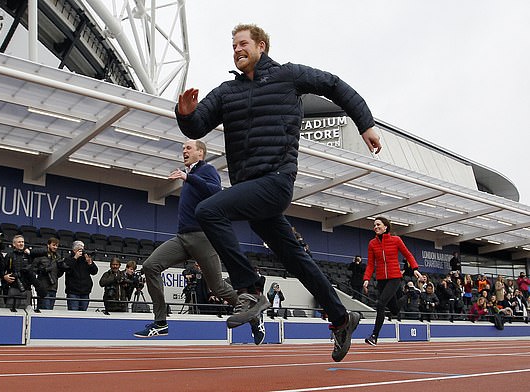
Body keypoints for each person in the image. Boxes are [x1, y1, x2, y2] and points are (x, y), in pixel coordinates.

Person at [175, 23, 380, 362]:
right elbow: (197, 125)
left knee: (209, 210)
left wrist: (365, 123)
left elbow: (333, 84)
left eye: (243, 44)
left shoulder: (288, 76)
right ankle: (342, 318)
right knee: (296, 259)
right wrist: (184, 114)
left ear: (261, 46)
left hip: (276, 180)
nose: (237, 49)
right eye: (233, 45)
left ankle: (250, 287)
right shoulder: (227, 92)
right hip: (250, 188)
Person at [134, 140, 264, 344]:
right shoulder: (191, 176)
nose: (184, 151)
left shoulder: (207, 170)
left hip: (203, 237)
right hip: (182, 238)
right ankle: (160, 323)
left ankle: (254, 313)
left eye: (188, 148)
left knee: (218, 288)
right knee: (150, 266)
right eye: (183, 148)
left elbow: (215, 192)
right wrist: (188, 178)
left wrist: (188, 177)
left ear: (200, 153)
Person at [362, 217, 422, 346]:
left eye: (378, 224)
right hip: (381, 279)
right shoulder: (372, 243)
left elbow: (408, 255)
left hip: (394, 278)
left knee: (380, 304)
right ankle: (410, 294)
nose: (376, 227)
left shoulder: (396, 240)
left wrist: (415, 269)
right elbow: (371, 264)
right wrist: (366, 279)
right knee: (394, 310)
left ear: (385, 227)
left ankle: (374, 336)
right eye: (374, 225)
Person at [60, 240, 98, 311]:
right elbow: (65, 267)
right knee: (73, 313)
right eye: (80, 249)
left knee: (83, 313)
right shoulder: (69, 258)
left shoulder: (85, 259)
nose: (82, 251)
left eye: (82, 249)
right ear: (74, 250)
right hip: (73, 292)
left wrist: (90, 262)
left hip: (85, 292)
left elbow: (94, 271)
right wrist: (75, 258)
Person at [33, 237, 63, 310]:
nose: (55, 247)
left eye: (56, 245)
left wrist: (62, 270)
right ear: (48, 245)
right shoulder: (40, 256)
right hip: (43, 287)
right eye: (53, 245)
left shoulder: (58, 257)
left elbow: (59, 274)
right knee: (44, 310)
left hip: (53, 287)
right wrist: (41, 271)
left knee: (50, 311)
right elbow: (33, 269)